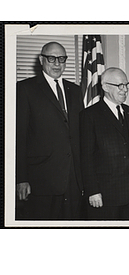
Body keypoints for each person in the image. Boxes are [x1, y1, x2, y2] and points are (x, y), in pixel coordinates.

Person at [16, 42, 84, 220]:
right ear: (41, 60)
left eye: (61, 59)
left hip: (73, 178)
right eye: (51, 58)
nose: (57, 64)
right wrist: (21, 178)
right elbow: (19, 136)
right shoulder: (25, 89)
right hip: (41, 179)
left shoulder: (76, 90)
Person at [80, 67, 129, 220]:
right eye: (120, 86)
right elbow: (86, 157)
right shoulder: (89, 115)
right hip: (103, 194)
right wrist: (92, 191)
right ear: (105, 87)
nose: (125, 90)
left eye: (127, 85)